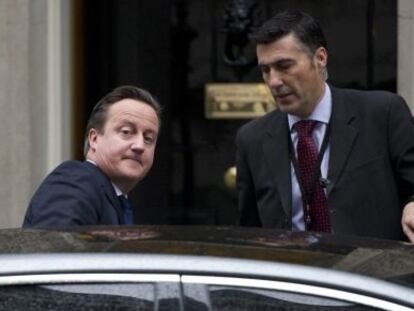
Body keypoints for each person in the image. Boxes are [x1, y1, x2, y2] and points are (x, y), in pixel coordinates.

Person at [236, 10, 414, 241]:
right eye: (265, 70)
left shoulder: (383, 113)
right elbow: (249, 232)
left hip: (370, 274)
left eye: (284, 66)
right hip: (294, 274)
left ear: (320, 58)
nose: (274, 81)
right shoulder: (252, 138)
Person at [23, 85, 161, 227]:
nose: (139, 145)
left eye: (148, 138)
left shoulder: (112, 198)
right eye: (126, 132)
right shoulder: (74, 180)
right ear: (94, 139)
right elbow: (53, 246)